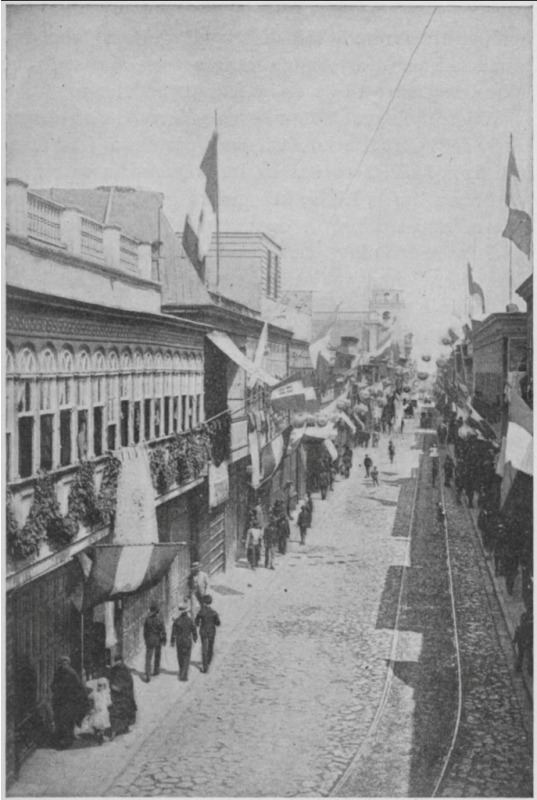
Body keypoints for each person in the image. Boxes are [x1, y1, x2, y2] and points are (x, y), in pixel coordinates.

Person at [51, 655, 90, 750]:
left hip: (69, 700)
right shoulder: (58, 672)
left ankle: (67, 740)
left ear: (69, 664)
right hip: (60, 700)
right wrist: (56, 689)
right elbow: (53, 684)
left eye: (66, 664)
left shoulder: (72, 673)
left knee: (68, 719)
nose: (65, 666)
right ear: (60, 664)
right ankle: (62, 738)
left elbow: (78, 685)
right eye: (63, 664)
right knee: (60, 719)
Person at [108, 655, 137, 738]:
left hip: (124, 695)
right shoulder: (113, 669)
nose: (117, 662)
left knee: (125, 710)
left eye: (119, 660)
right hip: (115, 694)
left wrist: (120, 688)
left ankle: (125, 727)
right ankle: (114, 730)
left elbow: (129, 682)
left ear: (122, 660)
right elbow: (110, 679)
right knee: (115, 712)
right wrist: (112, 685)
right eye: (116, 661)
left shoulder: (125, 670)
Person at [170, 602, 198, 681]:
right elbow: (194, 630)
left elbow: (173, 633)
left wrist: (172, 641)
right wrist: (195, 638)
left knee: (180, 656)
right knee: (187, 657)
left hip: (179, 641)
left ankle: (181, 670)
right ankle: (184, 675)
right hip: (187, 640)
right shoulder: (190, 620)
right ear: (187, 611)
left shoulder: (177, 621)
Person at [195, 595, 221, 674]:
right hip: (211, 632)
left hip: (203, 631)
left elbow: (196, 622)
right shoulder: (214, 612)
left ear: (204, 603)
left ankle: (205, 667)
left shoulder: (201, 612)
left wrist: (199, 623)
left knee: (204, 648)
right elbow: (218, 623)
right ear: (211, 602)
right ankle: (208, 661)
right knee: (210, 647)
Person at [143, 603, 167, 683]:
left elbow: (145, 631)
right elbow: (163, 631)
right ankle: (156, 671)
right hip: (157, 639)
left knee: (148, 658)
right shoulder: (160, 619)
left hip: (149, 639)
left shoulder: (147, 619)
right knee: (157, 655)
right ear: (157, 611)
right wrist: (164, 640)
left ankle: (148, 675)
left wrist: (146, 639)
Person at [88, 677, 112, 745]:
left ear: (105, 686)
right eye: (98, 685)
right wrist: (94, 706)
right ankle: (97, 734)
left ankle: (101, 736)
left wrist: (105, 704)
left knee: (102, 724)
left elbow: (109, 702)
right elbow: (89, 697)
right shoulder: (95, 694)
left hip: (103, 711)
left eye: (101, 686)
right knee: (96, 723)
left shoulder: (107, 694)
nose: (99, 687)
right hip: (97, 710)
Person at [514, 610, 533, 675]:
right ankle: (530, 670)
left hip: (523, 640)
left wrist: (514, 640)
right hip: (526, 641)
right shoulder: (529, 625)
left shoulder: (523, 626)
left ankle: (519, 667)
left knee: (522, 655)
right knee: (528, 655)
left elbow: (518, 632)